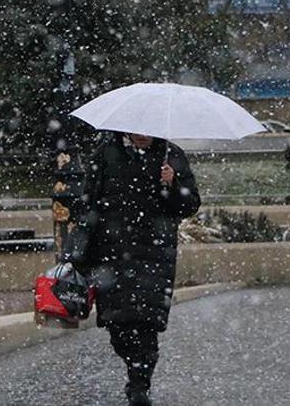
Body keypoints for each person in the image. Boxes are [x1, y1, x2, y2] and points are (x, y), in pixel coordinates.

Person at [68, 131, 201, 406]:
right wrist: (81, 244)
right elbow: (87, 201)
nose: (142, 137)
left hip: (154, 254)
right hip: (111, 254)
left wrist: (173, 183)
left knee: (146, 321)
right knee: (117, 323)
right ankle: (135, 365)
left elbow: (189, 205)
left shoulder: (171, 156)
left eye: (148, 133)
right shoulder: (106, 154)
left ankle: (140, 384)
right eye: (137, 132)